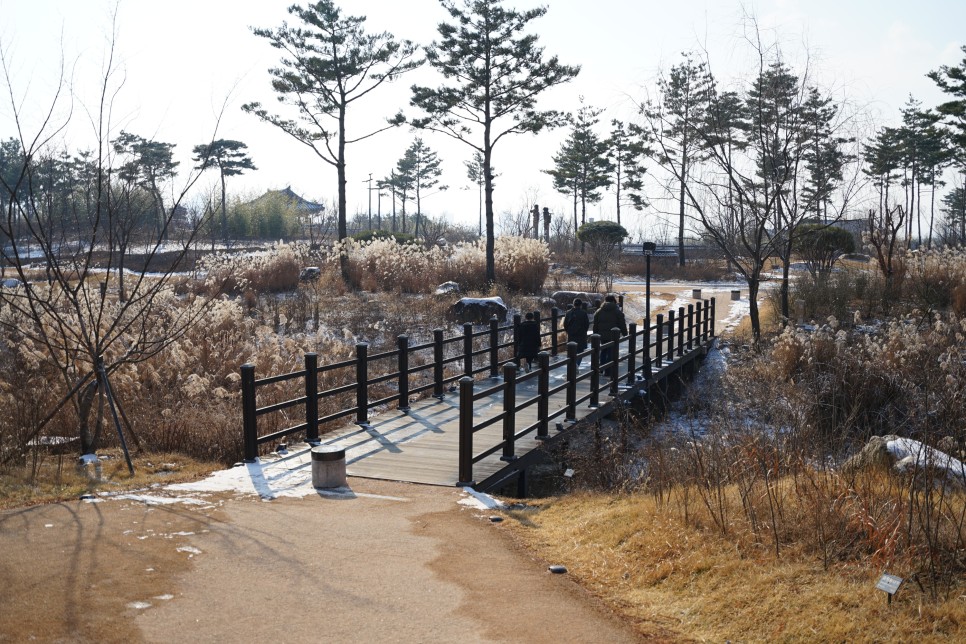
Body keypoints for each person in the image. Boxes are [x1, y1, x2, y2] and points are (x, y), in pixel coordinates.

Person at [593, 294, 627, 374]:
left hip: (601, 335)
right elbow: (622, 323)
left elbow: (595, 324)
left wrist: (595, 334)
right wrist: (625, 333)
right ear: (613, 301)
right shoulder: (617, 311)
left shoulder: (599, 311)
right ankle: (608, 371)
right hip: (613, 335)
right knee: (611, 352)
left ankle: (601, 368)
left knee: (603, 351)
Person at [563, 298, 590, 366]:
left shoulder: (568, 312)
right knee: (580, 351)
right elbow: (586, 324)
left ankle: (572, 365)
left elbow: (565, 324)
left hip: (571, 335)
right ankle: (577, 364)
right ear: (581, 305)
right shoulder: (583, 313)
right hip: (581, 335)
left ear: (573, 304)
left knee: (571, 351)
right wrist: (584, 331)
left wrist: (568, 331)